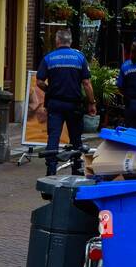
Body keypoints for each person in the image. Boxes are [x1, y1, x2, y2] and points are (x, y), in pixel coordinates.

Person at [36, 29, 95, 176]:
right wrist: (92, 102)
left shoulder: (49, 58)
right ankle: (77, 169)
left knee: (54, 136)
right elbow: (86, 83)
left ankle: (51, 170)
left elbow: (39, 82)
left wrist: (50, 90)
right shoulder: (79, 57)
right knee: (76, 137)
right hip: (74, 104)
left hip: (55, 103)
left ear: (57, 41)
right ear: (70, 42)